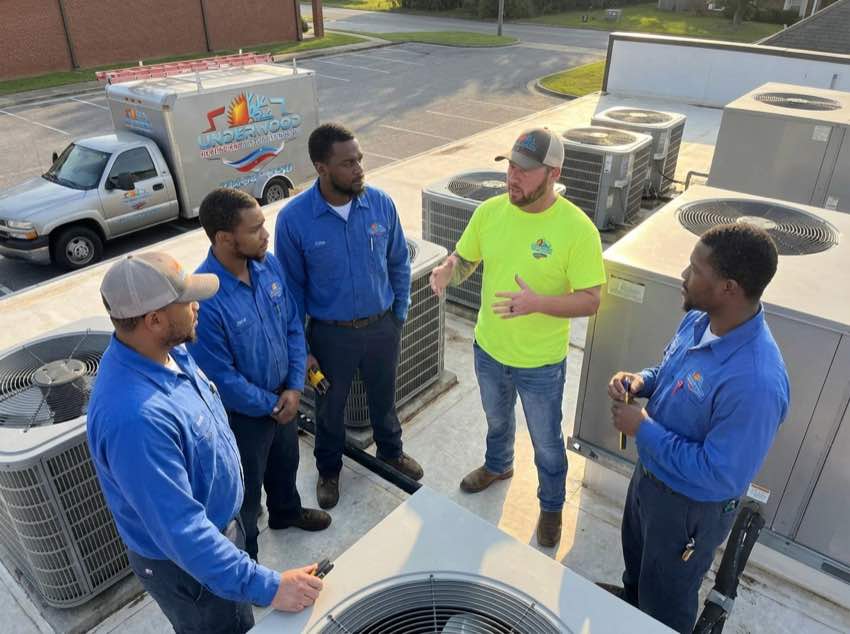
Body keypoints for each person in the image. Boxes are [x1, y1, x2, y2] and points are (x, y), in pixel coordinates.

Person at [87, 252, 323, 633]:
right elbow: (183, 533)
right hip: (192, 566)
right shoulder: (134, 418)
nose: (198, 304)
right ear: (154, 319)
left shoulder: (172, 350)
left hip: (224, 532)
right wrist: (271, 587)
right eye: (187, 300)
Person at [600, 223, 790, 633]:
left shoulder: (756, 382)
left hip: (687, 511)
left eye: (695, 270)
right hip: (648, 481)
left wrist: (643, 428)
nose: (683, 277)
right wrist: (641, 381)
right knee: (638, 575)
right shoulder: (700, 321)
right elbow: (669, 371)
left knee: (665, 604)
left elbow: (719, 474)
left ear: (728, 288)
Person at [429, 127, 606, 548]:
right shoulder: (490, 212)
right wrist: (448, 268)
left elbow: (591, 300)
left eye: (525, 170)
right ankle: (498, 465)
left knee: (546, 443)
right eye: (510, 166)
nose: (513, 177)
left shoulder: (577, 229)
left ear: (553, 173)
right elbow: (466, 258)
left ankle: (550, 506)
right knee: (497, 420)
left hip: (540, 363)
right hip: (489, 349)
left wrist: (538, 303)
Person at [275, 122, 423, 510]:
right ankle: (328, 470)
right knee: (330, 408)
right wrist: (302, 349)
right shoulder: (294, 220)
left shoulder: (381, 204)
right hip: (330, 336)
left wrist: (399, 315)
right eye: (347, 163)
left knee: (384, 398)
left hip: (381, 327)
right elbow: (292, 293)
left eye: (359, 159)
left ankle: (391, 452)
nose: (359, 169)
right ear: (321, 168)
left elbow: (398, 264)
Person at [187, 188, 331, 564]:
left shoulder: (270, 266)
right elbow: (221, 376)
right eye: (255, 229)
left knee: (286, 465)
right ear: (224, 238)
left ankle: (286, 512)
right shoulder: (205, 296)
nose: (266, 235)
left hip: (286, 397)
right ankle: (246, 555)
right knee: (246, 493)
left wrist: (295, 387)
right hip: (244, 419)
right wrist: (272, 404)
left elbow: (292, 328)